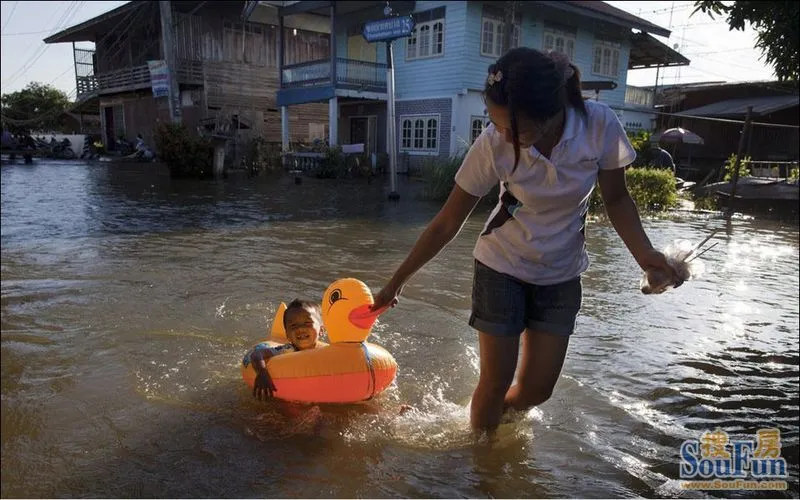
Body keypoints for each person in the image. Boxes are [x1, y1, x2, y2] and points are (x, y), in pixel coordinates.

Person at [370, 48, 682, 435]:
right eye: (496, 124)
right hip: (500, 267)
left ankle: (487, 423)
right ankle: (481, 467)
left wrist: (645, 255)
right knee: (495, 380)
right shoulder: (494, 144)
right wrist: (396, 281)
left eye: (515, 130)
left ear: (552, 115)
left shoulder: (598, 124)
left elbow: (617, 199)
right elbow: (447, 221)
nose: (503, 136)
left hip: (561, 274)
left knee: (537, 390)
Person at [247, 299, 323, 400]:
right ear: (287, 335)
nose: (300, 328)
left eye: (307, 322)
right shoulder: (287, 350)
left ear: (321, 331)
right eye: (293, 325)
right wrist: (262, 372)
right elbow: (257, 354)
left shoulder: (326, 352)